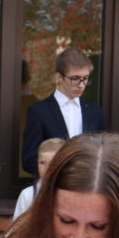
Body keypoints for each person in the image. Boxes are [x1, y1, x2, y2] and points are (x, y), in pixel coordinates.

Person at [21, 47, 105, 176]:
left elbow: (102, 153)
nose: (81, 85)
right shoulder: (39, 111)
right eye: (75, 78)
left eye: (85, 78)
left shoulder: (95, 112)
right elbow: (29, 160)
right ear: (59, 77)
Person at [14, 137, 65, 219]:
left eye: (52, 163)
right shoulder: (28, 195)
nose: (47, 168)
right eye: (42, 163)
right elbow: (17, 225)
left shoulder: (72, 194)